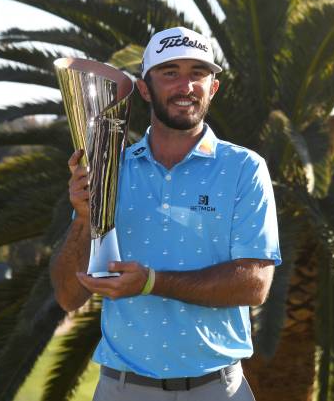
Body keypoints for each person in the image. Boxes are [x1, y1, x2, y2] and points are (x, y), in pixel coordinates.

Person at [51, 26, 281, 400]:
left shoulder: (244, 168)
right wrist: (82, 218)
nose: (185, 86)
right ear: (144, 88)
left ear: (213, 88)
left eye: (198, 73)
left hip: (218, 389)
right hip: (123, 389)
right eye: (170, 72)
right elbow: (68, 296)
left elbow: (254, 284)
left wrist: (151, 282)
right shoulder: (110, 170)